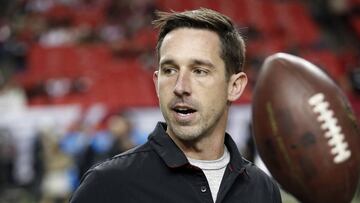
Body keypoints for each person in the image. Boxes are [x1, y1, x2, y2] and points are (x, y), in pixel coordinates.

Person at [70, 8, 282, 203]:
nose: (181, 87)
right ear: (156, 83)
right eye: (170, 70)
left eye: (200, 71)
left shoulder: (263, 189)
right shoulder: (108, 185)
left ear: (234, 86)